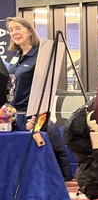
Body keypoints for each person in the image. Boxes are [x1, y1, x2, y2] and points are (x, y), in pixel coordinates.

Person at [5, 17, 74, 179]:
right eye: (11, 30)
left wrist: (37, 116)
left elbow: (45, 88)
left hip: (34, 117)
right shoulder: (16, 57)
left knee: (40, 163)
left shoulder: (41, 56)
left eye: (18, 28)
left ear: (29, 31)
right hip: (15, 118)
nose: (15, 33)